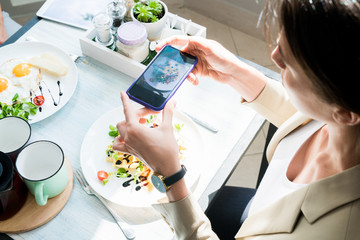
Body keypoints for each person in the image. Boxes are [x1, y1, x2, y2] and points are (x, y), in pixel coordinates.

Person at [113, 0, 360, 239]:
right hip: (257, 209)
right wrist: (234, 71)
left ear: (346, 113)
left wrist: (170, 176)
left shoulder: (337, 230)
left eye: (291, 63)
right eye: (282, 43)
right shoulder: (342, 116)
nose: (274, 57)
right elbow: (306, 117)